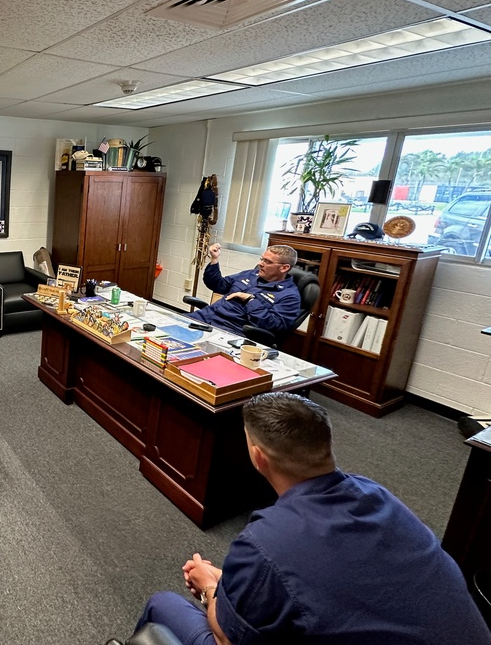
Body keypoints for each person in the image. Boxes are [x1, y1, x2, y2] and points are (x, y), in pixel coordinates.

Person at [133, 392, 491, 645]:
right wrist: (230, 585)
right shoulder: (378, 496)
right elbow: (316, 581)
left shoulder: (263, 541)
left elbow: (227, 637)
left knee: (163, 604)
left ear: (258, 458)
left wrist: (211, 588)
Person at [187, 243, 301, 336]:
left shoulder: (289, 296)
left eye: (268, 262)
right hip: (205, 317)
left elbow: (274, 326)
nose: (260, 264)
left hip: (230, 330)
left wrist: (250, 300)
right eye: (262, 259)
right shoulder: (251, 274)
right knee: (169, 329)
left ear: (284, 268)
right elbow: (218, 285)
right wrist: (214, 260)